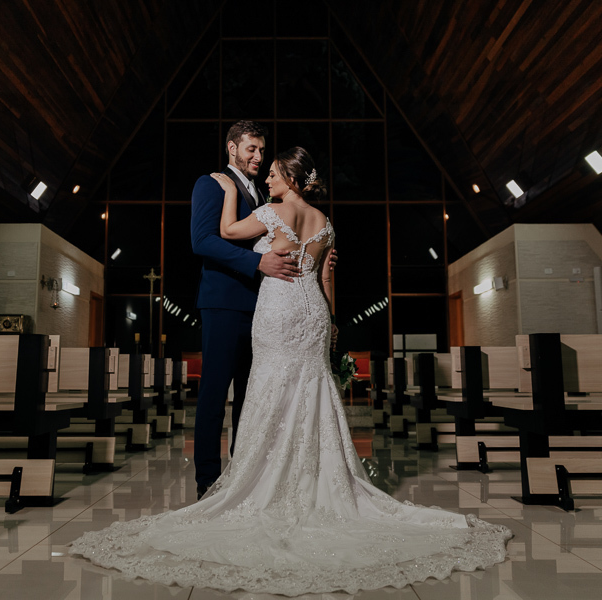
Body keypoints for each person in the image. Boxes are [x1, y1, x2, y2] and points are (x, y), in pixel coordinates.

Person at [70, 147, 512, 596]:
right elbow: (323, 280)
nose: (268, 180)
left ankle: (261, 482)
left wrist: (226, 190)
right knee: (312, 394)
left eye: (276, 173)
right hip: (314, 314)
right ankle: (316, 482)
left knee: (269, 392)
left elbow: (224, 231)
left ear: (292, 180)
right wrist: (333, 322)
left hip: (279, 312)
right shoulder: (325, 222)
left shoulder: (272, 212)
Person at [188, 120, 331, 500]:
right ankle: (207, 481)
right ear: (232, 148)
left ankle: (245, 477)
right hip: (223, 304)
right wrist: (258, 263)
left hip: (267, 310)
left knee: (254, 398)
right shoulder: (213, 183)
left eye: (262, 151)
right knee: (215, 395)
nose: (257, 156)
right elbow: (202, 241)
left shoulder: (265, 198)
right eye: (251, 148)